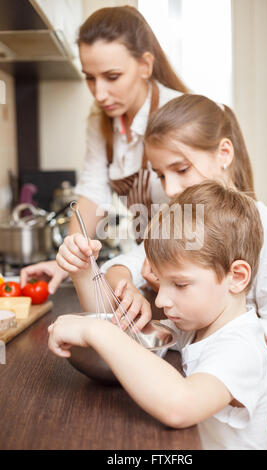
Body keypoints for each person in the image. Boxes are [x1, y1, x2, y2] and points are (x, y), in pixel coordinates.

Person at [48, 181, 267, 450]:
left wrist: (95, 330)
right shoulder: (195, 324)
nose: (161, 299)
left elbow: (180, 406)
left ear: (236, 277)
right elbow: (120, 330)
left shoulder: (242, 346)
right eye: (159, 280)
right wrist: (84, 271)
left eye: (179, 284)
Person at [91, 94, 267, 360]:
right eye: (161, 175)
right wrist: (127, 287)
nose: (170, 189)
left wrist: (201, 313)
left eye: (182, 169)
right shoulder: (183, 217)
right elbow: (120, 267)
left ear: (224, 153)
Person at [20, 5, 188, 301]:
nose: (98, 93)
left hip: (187, 267)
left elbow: (199, 219)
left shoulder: (180, 115)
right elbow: (92, 193)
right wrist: (72, 258)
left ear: (145, 65)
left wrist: (124, 269)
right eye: (90, 77)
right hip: (150, 265)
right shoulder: (103, 123)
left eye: (112, 76)